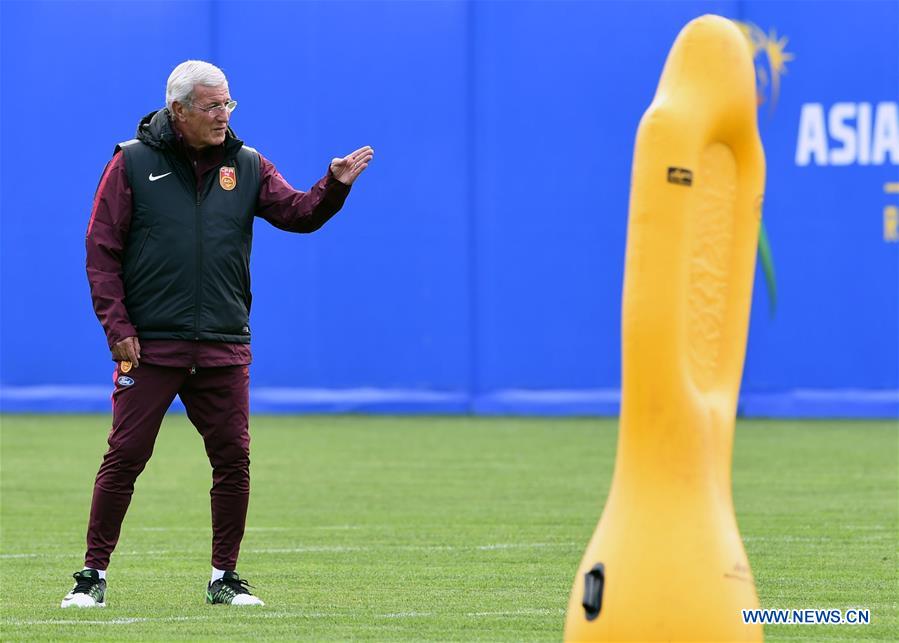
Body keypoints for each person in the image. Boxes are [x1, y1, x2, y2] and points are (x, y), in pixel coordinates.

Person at [62, 60, 373, 608]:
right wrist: (118, 327)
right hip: (151, 345)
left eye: (228, 104)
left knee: (233, 460)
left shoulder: (247, 165)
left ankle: (224, 578)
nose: (223, 116)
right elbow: (100, 252)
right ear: (177, 110)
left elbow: (298, 213)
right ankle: (91, 577)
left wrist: (333, 186)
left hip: (224, 342)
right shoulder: (130, 163)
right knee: (126, 455)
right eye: (211, 106)